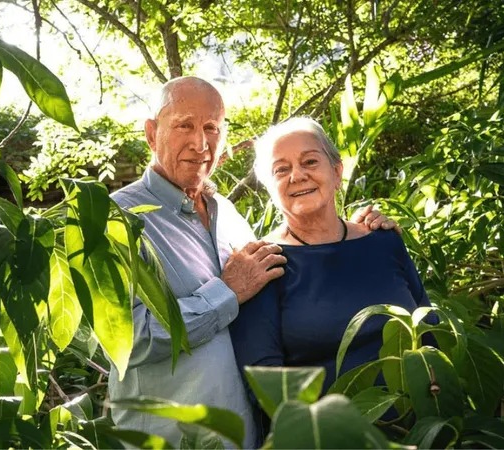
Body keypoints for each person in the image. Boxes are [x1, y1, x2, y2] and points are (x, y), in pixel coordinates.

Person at [108, 78, 396, 447]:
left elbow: (286, 273)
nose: (201, 143)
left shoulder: (226, 213)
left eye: (212, 127)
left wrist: (356, 234)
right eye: (184, 125)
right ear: (151, 133)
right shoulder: (116, 218)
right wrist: (225, 293)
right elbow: (127, 341)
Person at [229, 116, 435, 406]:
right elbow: (266, 380)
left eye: (310, 162)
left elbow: (429, 324)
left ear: (337, 172)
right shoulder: (264, 264)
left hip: (420, 417)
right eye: (281, 169)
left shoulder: (383, 240)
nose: (297, 175)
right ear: (269, 188)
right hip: (325, 426)